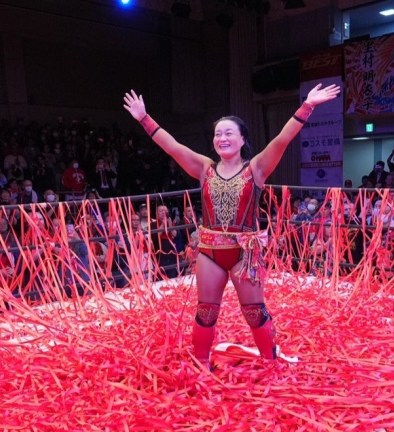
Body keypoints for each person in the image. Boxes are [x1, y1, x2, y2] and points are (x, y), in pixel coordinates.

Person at [123, 83, 340, 369]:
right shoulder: (204, 168)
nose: (222, 138)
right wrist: (143, 118)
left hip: (244, 255)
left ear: (241, 139)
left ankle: (269, 362)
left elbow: (282, 139)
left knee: (254, 312)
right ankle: (201, 364)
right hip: (209, 251)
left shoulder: (257, 168)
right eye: (217, 134)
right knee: (205, 312)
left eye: (228, 133)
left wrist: (307, 105)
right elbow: (172, 146)